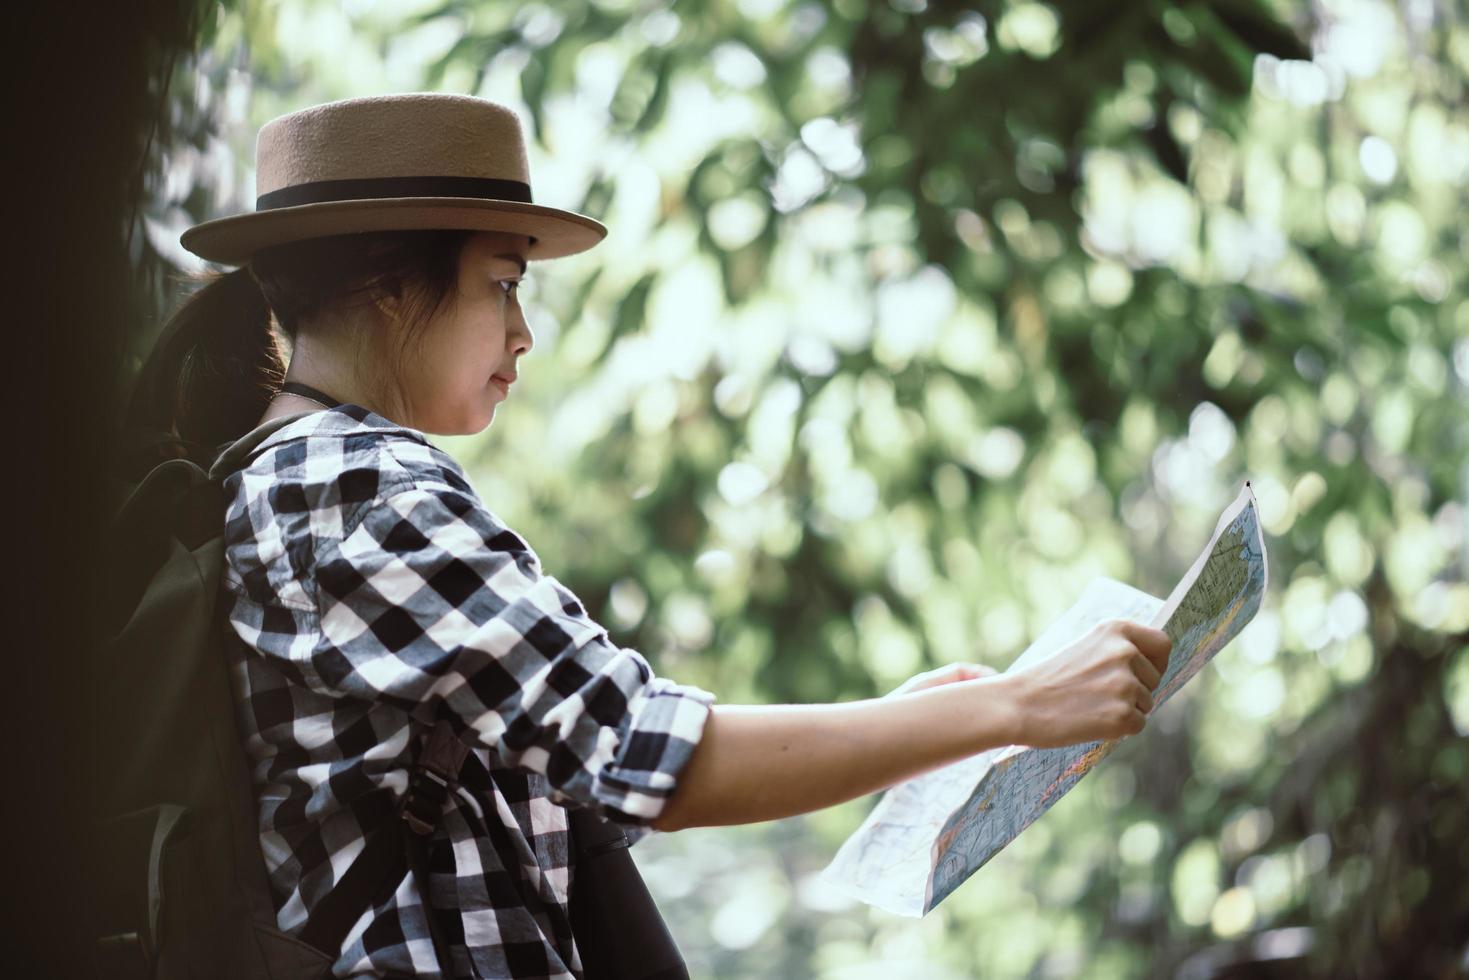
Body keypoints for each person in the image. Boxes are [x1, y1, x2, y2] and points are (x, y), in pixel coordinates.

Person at [160, 93, 1172, 980]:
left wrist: (898, 729)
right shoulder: (355, 488)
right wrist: (1013, 706)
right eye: (503, 281)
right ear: (388, 285)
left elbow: (572, 773)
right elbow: (653, 756)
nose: (523, 333)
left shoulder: (281, 475)